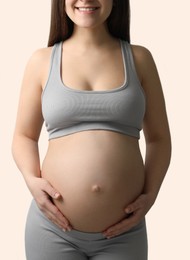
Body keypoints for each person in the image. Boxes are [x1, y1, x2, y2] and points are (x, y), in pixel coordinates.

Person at [12, 0, 171, 259]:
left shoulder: (140, 59)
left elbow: (159, 139)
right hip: (52, 230)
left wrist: (151, 194)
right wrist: (32, 180)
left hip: (123, 234)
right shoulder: (41, 61)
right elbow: (24, 136)